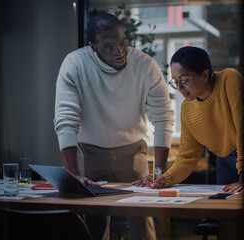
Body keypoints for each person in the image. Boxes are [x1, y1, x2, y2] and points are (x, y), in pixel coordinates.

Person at [54, 13, 174, 240]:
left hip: (133, 150)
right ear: (93, 46)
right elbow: (65, 118)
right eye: (108, 47)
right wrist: (74, 175)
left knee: (141, 218)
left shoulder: (145, 65)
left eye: (123, 43)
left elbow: (163, 119)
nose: (119, 52)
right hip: (90, 151)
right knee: (94, 223)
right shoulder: (75, 64)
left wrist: (158, 173)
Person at [133, 46, 244, 193]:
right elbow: (187, 157)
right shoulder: (187, 108)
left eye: (184, 81)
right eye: (175, 81)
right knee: (225, 211)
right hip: (224, 161)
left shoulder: (229, 80)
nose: (179, 87)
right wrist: (165, 178)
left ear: (204, 75)